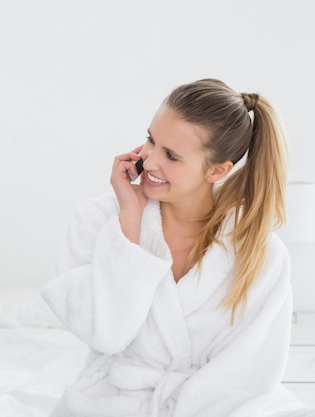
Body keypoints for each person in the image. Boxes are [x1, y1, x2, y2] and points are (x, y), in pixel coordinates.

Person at [41, 79, 298, 416]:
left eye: (171, 156)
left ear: (217, 170)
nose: (148, 162)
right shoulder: (100, 219)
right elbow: (105, 335)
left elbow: (246, 374)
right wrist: (129, 224)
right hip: (113, 402)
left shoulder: (260, 254)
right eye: (151, 140)